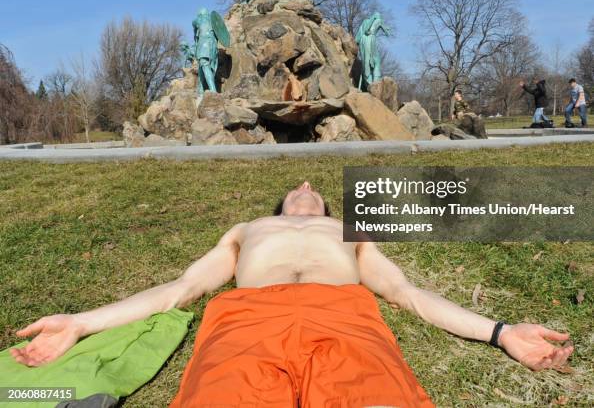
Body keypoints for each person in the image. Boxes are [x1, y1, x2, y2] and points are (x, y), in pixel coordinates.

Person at [10, 183, 573, 407]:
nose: (306, 189)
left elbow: (406, 292)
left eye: (315, 190)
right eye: (295, 190)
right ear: (281, 206)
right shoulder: (246, 230)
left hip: (347, 320)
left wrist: (500, 333)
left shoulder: (350, 233)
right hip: (246, 322)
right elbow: (178, 290)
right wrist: (81, 322)